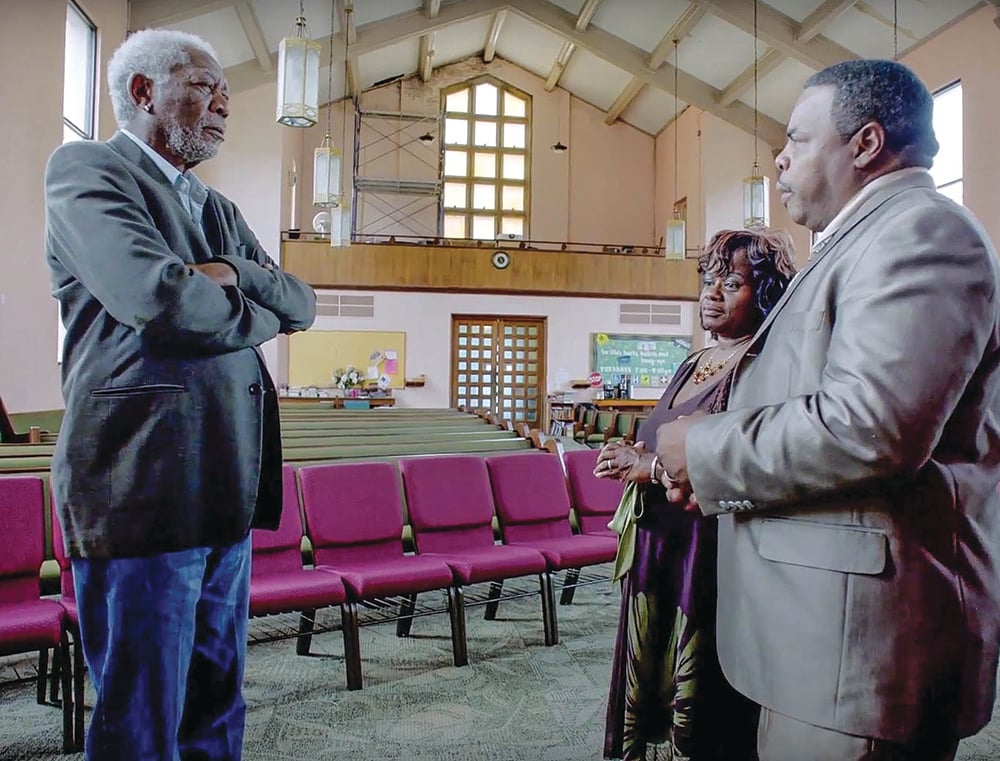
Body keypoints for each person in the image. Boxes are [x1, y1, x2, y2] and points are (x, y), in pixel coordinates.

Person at [655, 59, 1000, 761]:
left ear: (866, 144)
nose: (779, 158)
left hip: (859, 653)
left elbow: (872, 425)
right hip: (816, 635)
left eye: (798, 139)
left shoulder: (922, 233)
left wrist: (705, 448)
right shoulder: (855, 241)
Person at [44, 29, 316, 760]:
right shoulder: (88, 171)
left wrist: (231, 272)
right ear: (143, 92)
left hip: (224, 481)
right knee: (142, 717)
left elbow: (300, 303)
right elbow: (161, 301)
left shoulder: (218, 210)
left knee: (216, 704)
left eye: (225, 89)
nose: (224, 102)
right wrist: (248, 305)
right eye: (204, 84)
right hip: (140, 483)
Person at [597, 229, 797, 761]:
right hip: (659, 542)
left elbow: (735, 461)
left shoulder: (762, 367)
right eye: (708, 280)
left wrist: (649, 466)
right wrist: (628, 453)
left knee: (703, 684)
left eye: (731, 283)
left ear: (768, 293)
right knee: (650, 663)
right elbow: (660, 440)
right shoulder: (693, 362)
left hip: (708, 549)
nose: (712, 293)